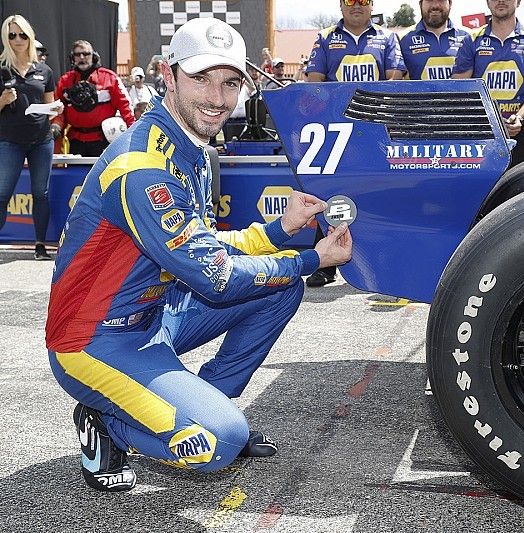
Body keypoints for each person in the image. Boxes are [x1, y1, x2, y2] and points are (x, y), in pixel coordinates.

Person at [46, 16, 352, 492]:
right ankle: (109, 422)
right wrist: (312, 259)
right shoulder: (142, 166)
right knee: (217, 442)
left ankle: (211, 402)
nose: (216, 98)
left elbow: (203, 248)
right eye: (200, 79)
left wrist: (281, 229)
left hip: (153, 315)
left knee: (279, 289)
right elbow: (217, 276)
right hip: (91, 340)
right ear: (167, 77)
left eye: (229, 83)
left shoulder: (191, 147)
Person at [304, 0, 405, 288]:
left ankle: (384, 264)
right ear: (340, 5)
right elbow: (314, 84)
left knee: (382, 196)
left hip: (376, 133)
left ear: (372, 5)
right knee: (331, 195)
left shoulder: (387, 38)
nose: (357, 5)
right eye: (350, 0)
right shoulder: (325, 38)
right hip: (338, 133)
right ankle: (325, 265)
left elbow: (394, 82)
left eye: (364, 0)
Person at [453, 0, 524, 167]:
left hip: (519, 128)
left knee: (520, 189)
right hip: (482, 132)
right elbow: (459, 87)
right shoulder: (472, 39)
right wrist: (488, 119)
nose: (501, 1)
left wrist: (519, 118)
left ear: (518, 2)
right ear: (488, 2)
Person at [0, 15, 63, 260]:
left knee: (41, 193)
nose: (18, 40)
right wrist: (3, 101)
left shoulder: (44, 70)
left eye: (22, 35)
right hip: (9, 140)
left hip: (41, 140)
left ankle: (40, 245)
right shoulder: (2, 68)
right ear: (6, 38)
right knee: (2, 193)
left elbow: (52, 107)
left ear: (30, 36)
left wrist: (56, 110)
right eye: (12, 35)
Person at [52, 40, 135, 156]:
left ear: (94, 56)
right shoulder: (65, 81)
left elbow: (125, 107)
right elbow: (58, 111)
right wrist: (56, 127)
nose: (82, 57)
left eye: (86, 54)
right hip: (76, 140)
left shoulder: (110, 78)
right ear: (73, 58)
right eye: (77, 54)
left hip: (104, 139)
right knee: (76, 173)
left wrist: (133, 134)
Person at [399, 0, 469, 80]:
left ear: (450, 3)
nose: (435, 5)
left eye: (441, 0)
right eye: (429, 0)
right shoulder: (401, 39)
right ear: (420, 4)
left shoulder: (468, 37)